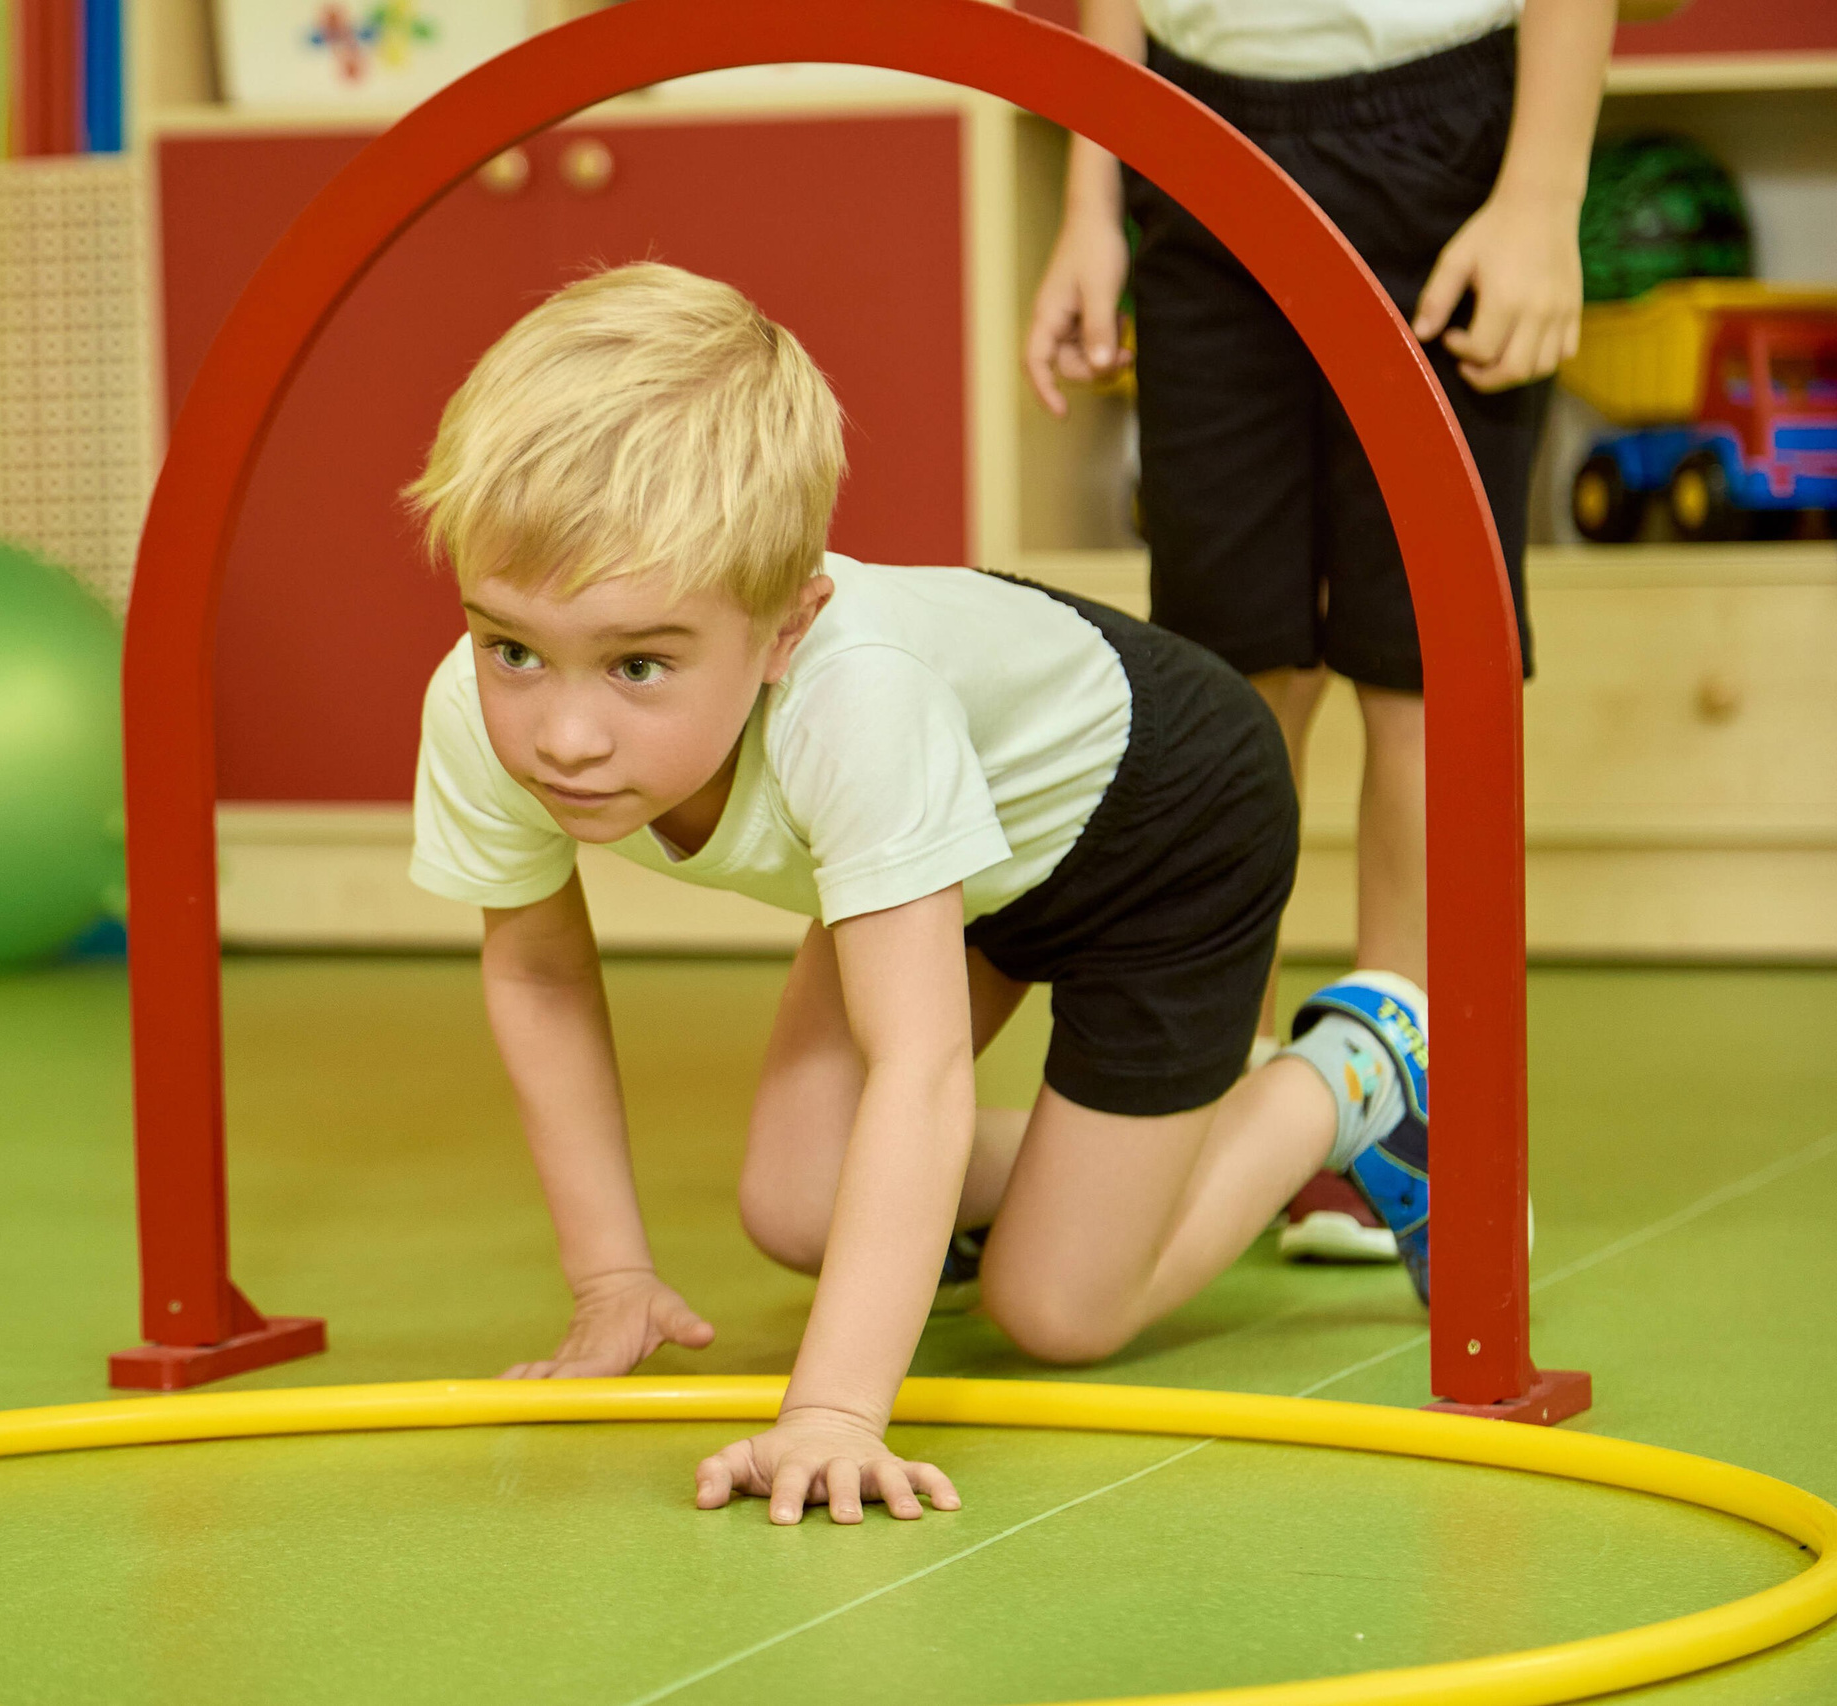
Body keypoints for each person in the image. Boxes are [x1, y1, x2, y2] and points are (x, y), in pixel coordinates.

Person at [404, 264, 1432, 1526]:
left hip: (1171, 825)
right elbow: (539, 972)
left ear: (785, 630)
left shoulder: (856, 703)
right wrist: (611, 1274)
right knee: (793, 1201)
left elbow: (923, 1068)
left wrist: (833, 1410)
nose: (561, 731)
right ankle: (1096, 1175)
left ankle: (1350, 1072)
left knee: (1055, 1308)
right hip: (975, 841)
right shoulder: (474, 706)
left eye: (636, 664)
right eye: (514, 646)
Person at [1024, 0, 1612, 1262]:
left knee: (1423, 657)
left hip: (1443, 132)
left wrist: (1543, 193)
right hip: (1187, 132)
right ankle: (1212, 1109)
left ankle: (1409, 1100)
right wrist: (1089, 206)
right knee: (1223, 658)